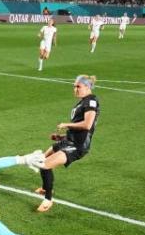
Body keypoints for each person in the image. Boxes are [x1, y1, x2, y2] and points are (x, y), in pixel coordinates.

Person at [33, 75, 99, 212]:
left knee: (44, 165)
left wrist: (66, 125)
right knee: (43, 160)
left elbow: (87, 125)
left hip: (77, 146)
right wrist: (60, 137)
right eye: (74, 86)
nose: (75, 89)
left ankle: (48, 199)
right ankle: (46, 187)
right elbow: (79, 129)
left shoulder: (91, 102)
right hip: (68, 141)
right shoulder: (83, 101)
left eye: (78, 86)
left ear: (87, 87)